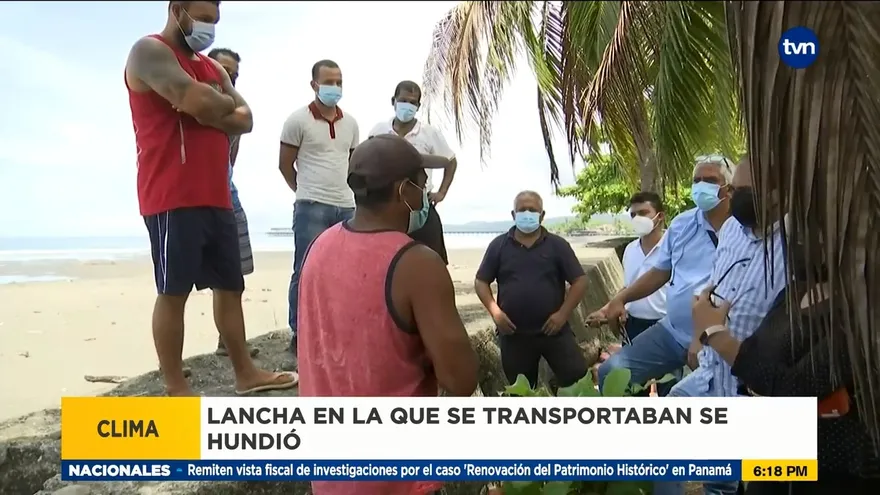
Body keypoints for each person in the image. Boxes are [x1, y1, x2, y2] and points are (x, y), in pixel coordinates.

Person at [124, 0, 296, 396]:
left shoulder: (211, 67)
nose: (208, 27)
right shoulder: (148, 52)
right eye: (202, 18)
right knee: (173, 292)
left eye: (214, 21)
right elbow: (204, 103)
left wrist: (201, 103)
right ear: (177, 9)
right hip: (171, 195)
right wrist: (212, 104)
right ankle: (175, 386)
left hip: (217, 193)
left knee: (230, 286)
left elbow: (246, 119)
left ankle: (245, 373)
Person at [297, 134, 478, 495]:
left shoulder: (319, 247)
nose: (425, 196)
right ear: (403, 191)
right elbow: (460, 379)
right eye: (422, 186)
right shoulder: (416, 263)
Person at [586, 155, 734, 495]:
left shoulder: (740, 229)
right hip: (673, 331)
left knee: (692, 416)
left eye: (709, 180)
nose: (701, 187)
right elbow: (660, 271)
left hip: (719, 340)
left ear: (727, 188)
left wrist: (704, 336)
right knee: (613, 372)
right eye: (696, 179)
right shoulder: (682, 225)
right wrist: (618, 300)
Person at [278, 59, 359, 361]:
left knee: (344, 272)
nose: (334, 87)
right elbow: (285, 165)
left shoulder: (351, 123)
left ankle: (340, 329)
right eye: (328, 82)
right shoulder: (297, 120)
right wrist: (304, 192)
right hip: (311, 206)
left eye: (338, 81)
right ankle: (299, 333)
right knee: (305, 269)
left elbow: (352, 164)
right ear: (314, 85)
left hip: (347, 207)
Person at [474, 191, 590, 389]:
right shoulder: (499, 246)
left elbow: (580, 280)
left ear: (542, 215)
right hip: (514, 334)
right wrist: (496, 313)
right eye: (522, 210)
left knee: (577, 379)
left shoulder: (557, 245)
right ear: (513, 214)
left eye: (532, 210)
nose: (527, 213)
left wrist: (562, 315)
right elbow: (480, 282)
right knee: (522, 391)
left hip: (554, 331)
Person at [367, 81, 457, 264]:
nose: (407, 106)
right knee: (385, 260)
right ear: (393, 101)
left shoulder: (429, 133)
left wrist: (441, 192)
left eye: (413, 102)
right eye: (403, 100)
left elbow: (451, 161)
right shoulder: (379, 131)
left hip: (419, 206)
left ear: (418, 106)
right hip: (386, 206)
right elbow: (366, 162)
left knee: (432, 260)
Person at [206, 47, 257, 358]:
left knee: (233, 273)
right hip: (193, 196)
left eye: (233, 75)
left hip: (226, 190)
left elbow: (230, 159)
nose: (227, 78)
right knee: (178, 285)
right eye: (222, 70)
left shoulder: (234, 113)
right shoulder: (190, 102)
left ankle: (228, 342)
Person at [620, 191, 668, 342]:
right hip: (632, 325)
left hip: (664, 325)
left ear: (660, 216)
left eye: (643, 213)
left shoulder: (673, 248)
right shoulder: (630, 250)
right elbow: (628, 286)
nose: (637, 219)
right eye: (633, 215)